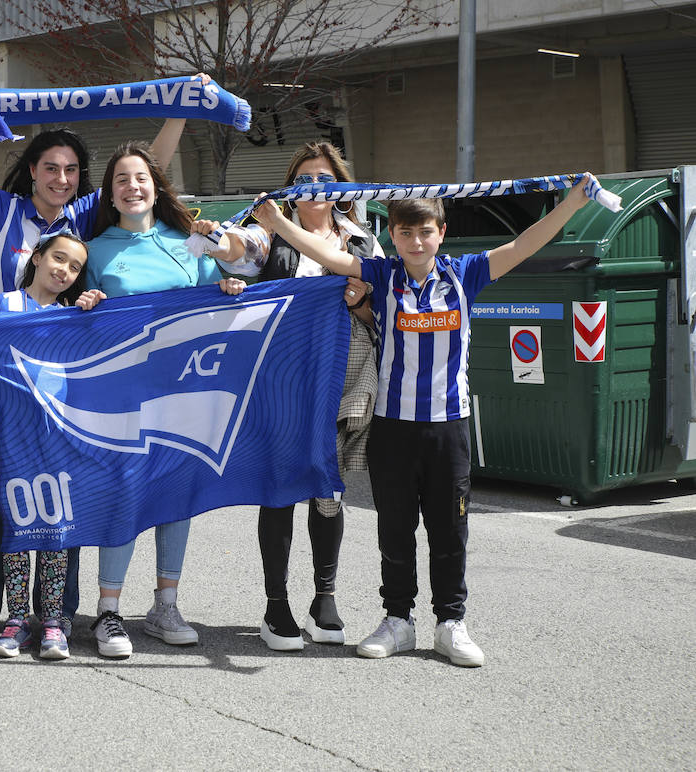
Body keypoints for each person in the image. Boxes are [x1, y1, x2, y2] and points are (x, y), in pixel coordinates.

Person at [253, 174, 601, 668]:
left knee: (448, 531)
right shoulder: (382, 275)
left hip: (448, 429)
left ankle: (450, 623)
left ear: (442, 232)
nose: (416, 242)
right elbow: (329, 256)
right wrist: (278, 222)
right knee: (395, 530)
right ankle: (397, 620)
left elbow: (526, 243)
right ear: (392, 236)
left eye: (425, 232)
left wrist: (570, 204)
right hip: (392, 429)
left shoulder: (468, 273)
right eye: (405, 233)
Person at [0, 116, 191, 644]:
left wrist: (178, 109)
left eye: (71, 170)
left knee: (64, 498)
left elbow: (149, 164)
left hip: (62, 392)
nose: (61, 178)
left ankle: (56, 613)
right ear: (32, 172)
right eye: (50, 168)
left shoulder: (85, 214)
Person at [200, 142, 383, 651]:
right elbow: (241, 249)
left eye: (323, 178)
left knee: (328, 487)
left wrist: (364, 304)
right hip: (281, 375)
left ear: (340, 187)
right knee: (279, 486)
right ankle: (275, 604)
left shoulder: (363, 241)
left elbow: (384, 313)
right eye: (303, 179)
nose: (313, 188)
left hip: (343, 373)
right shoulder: (270, 233)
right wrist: (217, 240)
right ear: (289, 188)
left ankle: (325, 598)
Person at [82, 141, 245, 659]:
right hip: (125, 394)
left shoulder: (186, 242)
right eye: (121, 180)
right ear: (111, 193)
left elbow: (215, 297)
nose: (133, 187)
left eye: (141, 178)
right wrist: (87, 303)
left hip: (182, 393)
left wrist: (231, 288)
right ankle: (108, 611)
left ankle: (165, 605)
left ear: (156, 185)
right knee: (126, 494)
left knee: (177, 495)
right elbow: (78, 319)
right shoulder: (96, 248)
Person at [0, 233, 101, 660]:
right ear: (37, 257)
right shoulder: (4, 304)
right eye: (58, 258)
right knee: (17, 526)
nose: (63, 270)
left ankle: (52, 621)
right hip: (10, 436)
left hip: (59, 439)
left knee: (55, 527)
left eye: (73, 267)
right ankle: (16, 620)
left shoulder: (76, 314)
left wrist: (95, 315)